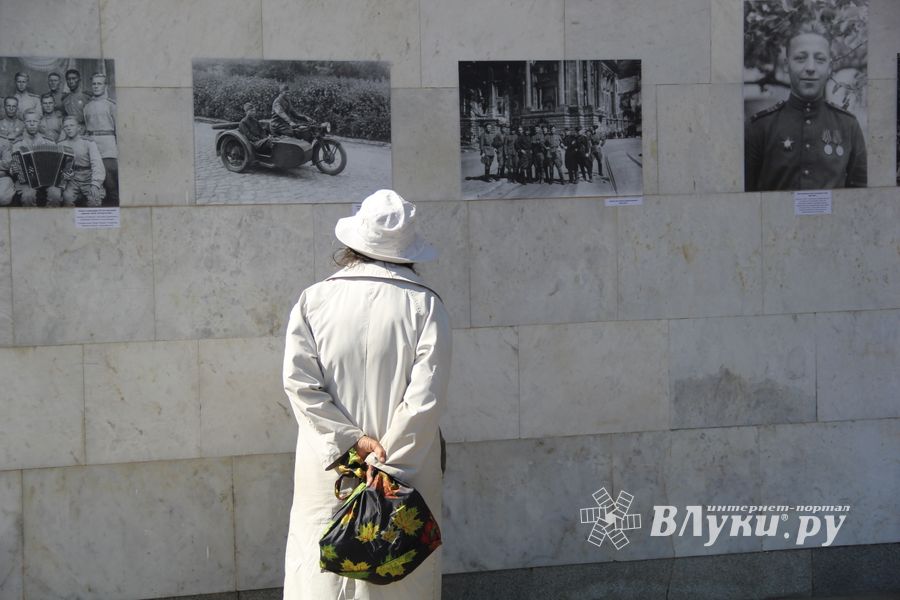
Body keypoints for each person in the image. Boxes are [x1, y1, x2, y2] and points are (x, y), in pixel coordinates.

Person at [282, 189, 451, 600]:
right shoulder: (424, 305)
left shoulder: (314, 300)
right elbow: (425, 399)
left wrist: (352, 443)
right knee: (398, 580)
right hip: (402, 473)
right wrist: (388, 463)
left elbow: (299, 383)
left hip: (333, 470)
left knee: (322, 576)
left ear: (353, 244)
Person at [745, 21, 867, 191]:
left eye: (820, 59)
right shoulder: (759, 127)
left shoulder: (849, 126)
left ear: (830, 67)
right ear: (787, 65)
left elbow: (860, 196)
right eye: (800, 58)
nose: (810, 68)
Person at [8, 109, 62, 207]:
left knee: (55, 194)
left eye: (35, 121)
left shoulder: (49, 142)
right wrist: (14, 169)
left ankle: (52, 220)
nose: (32, 124)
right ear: (24, 123)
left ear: (39, 123)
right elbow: (12, 168)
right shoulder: (17, 143)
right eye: (29, 121)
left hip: (46, 181)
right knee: (28, 196)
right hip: (26, 182)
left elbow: (57, 165)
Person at [83, 73, 118, 205]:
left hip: (108, 146)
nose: (96, 86)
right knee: (95, 181)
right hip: (92, 146)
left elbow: (118, 131)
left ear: (105, 86)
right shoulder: (87, 106)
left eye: (99, 83)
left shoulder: (111, 105)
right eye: (94, 84)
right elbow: (87, 128)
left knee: (110, 183)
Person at [58, 116, 105, 207]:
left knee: (94, 200)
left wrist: (95, 184)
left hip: (88, 177)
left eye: (72, 125)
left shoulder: (88, 143)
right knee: (66, 198)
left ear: (79, 127)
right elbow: (58, 166)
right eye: (66, 126)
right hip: (72, 180)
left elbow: (97, 164)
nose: (69, 128)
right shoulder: (61, 144)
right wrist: (63, 174)